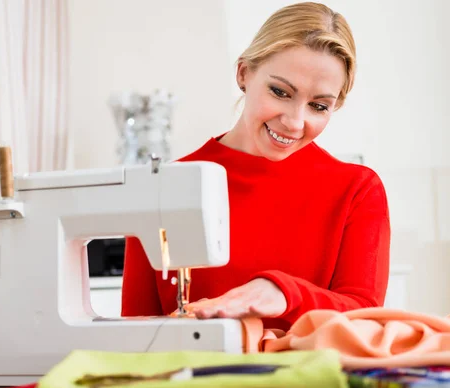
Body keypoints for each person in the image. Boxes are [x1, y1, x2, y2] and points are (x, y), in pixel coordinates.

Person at [120, 1, 391, 331]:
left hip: (306, 381)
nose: (294, 121)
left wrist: (284, 293)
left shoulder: (357, 190)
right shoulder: (163, 186)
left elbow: (363, 313)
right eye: (280, 91)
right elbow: (135, 332)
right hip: (189, 380)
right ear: (244, 73)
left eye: (318, 106)